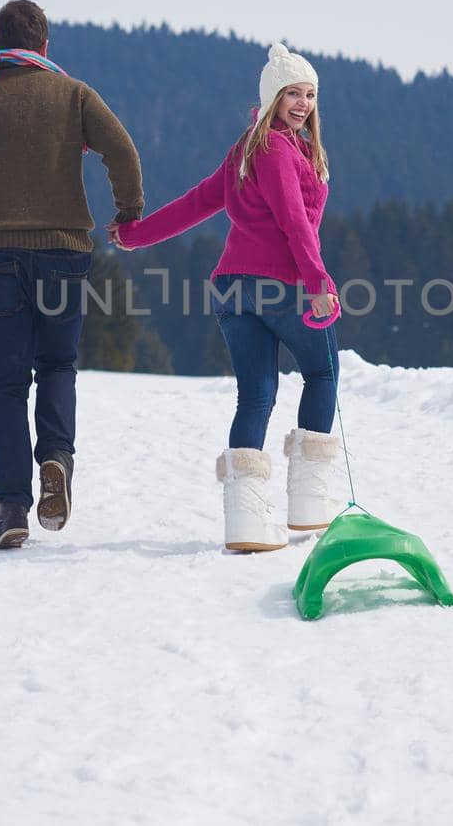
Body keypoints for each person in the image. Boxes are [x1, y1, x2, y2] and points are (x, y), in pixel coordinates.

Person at [0, 0, 144, 550]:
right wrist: (128, 212)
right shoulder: (74, 95)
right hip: (65, 252)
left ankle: (14, 507)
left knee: (6, 385)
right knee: (58, 364)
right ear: (45, 48)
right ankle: (57, 460)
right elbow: (123, 153)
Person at [109, 42, 342, 553]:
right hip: (282, 285)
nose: (302, 104)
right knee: (322, 373)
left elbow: (194, 205)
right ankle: (308, 506)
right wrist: (318, 281)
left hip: (234, 290)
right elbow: (293, 219)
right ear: (273, 97)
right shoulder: (278, 149)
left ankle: (244, 525)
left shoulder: (245, 152)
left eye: (309, 95)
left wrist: (135, 236)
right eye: (293, 94)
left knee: (256, 395)